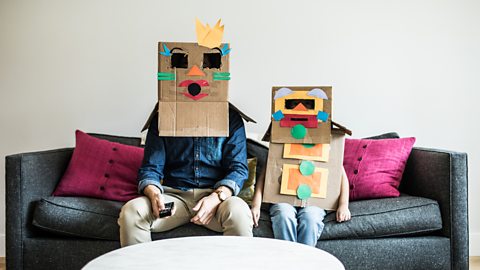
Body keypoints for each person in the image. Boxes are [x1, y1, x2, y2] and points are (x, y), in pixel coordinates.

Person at [118, 108, 253, 247]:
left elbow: (238, 169)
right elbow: (150, 169)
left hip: (216, 200)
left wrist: (217, 197)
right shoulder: (162, 118)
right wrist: (155, 195)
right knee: (132, 211)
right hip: (174, 199)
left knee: (239, 212)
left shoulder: (230, 118)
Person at [250, 167, 351, 246]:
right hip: (283, 198)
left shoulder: (328, 147)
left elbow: (341, 175)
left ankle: (303, 262)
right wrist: (256, 205)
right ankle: (288, 260)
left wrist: (343, 205)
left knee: (311, 218)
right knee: (284, 215)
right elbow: (264, 177)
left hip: (315, 201)